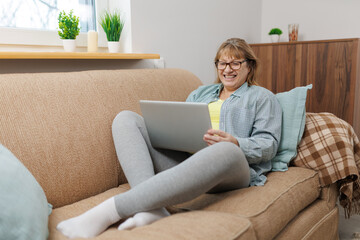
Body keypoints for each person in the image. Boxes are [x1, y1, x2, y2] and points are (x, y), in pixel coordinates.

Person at [57, 38, 282, 238]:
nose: (227, 69)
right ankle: (150, 209)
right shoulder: (200, 93)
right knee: (126, 119)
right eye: (222, 63)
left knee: (224, 150)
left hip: (233, 168)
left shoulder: (262, 98)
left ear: (249, 66)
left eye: (235, 62)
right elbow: (182, 126)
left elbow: (269, 144)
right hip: (188, 162)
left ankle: (107, 212)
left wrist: (235, 142)